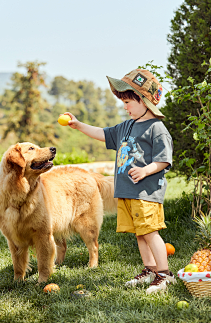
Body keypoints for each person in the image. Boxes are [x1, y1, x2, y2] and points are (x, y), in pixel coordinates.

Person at [63, 68, 176, 294]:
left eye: (128, 101)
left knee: (151, 232)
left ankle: (165, 274)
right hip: (128, 192)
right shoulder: (127, 126)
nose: (125, 106)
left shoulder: (157, 128)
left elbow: (164, 160)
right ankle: (150, 270)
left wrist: (145, 171)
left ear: (144, 101)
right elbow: (103, 134)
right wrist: (79, 125)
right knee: (140, 233)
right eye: (124, 101)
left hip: (146, 193)